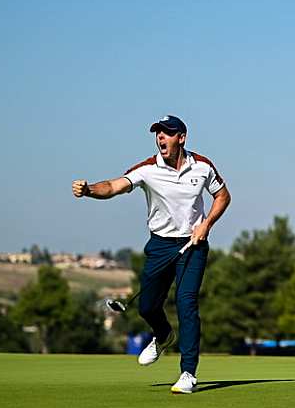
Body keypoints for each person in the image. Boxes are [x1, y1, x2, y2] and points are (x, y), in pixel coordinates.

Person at [72, 115, 231, 393]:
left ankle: (188, 373)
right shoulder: (147, 169)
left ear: (181, 137)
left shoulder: (203, 166)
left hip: (192, 245)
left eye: (167, 133)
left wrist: (206, 225)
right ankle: (162, 335)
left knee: (186, 303)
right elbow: (113, 186)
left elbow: (223, 196)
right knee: (146, 306)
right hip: (160, 245)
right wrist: (89, 190)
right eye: (157, 133)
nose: (160, 138)